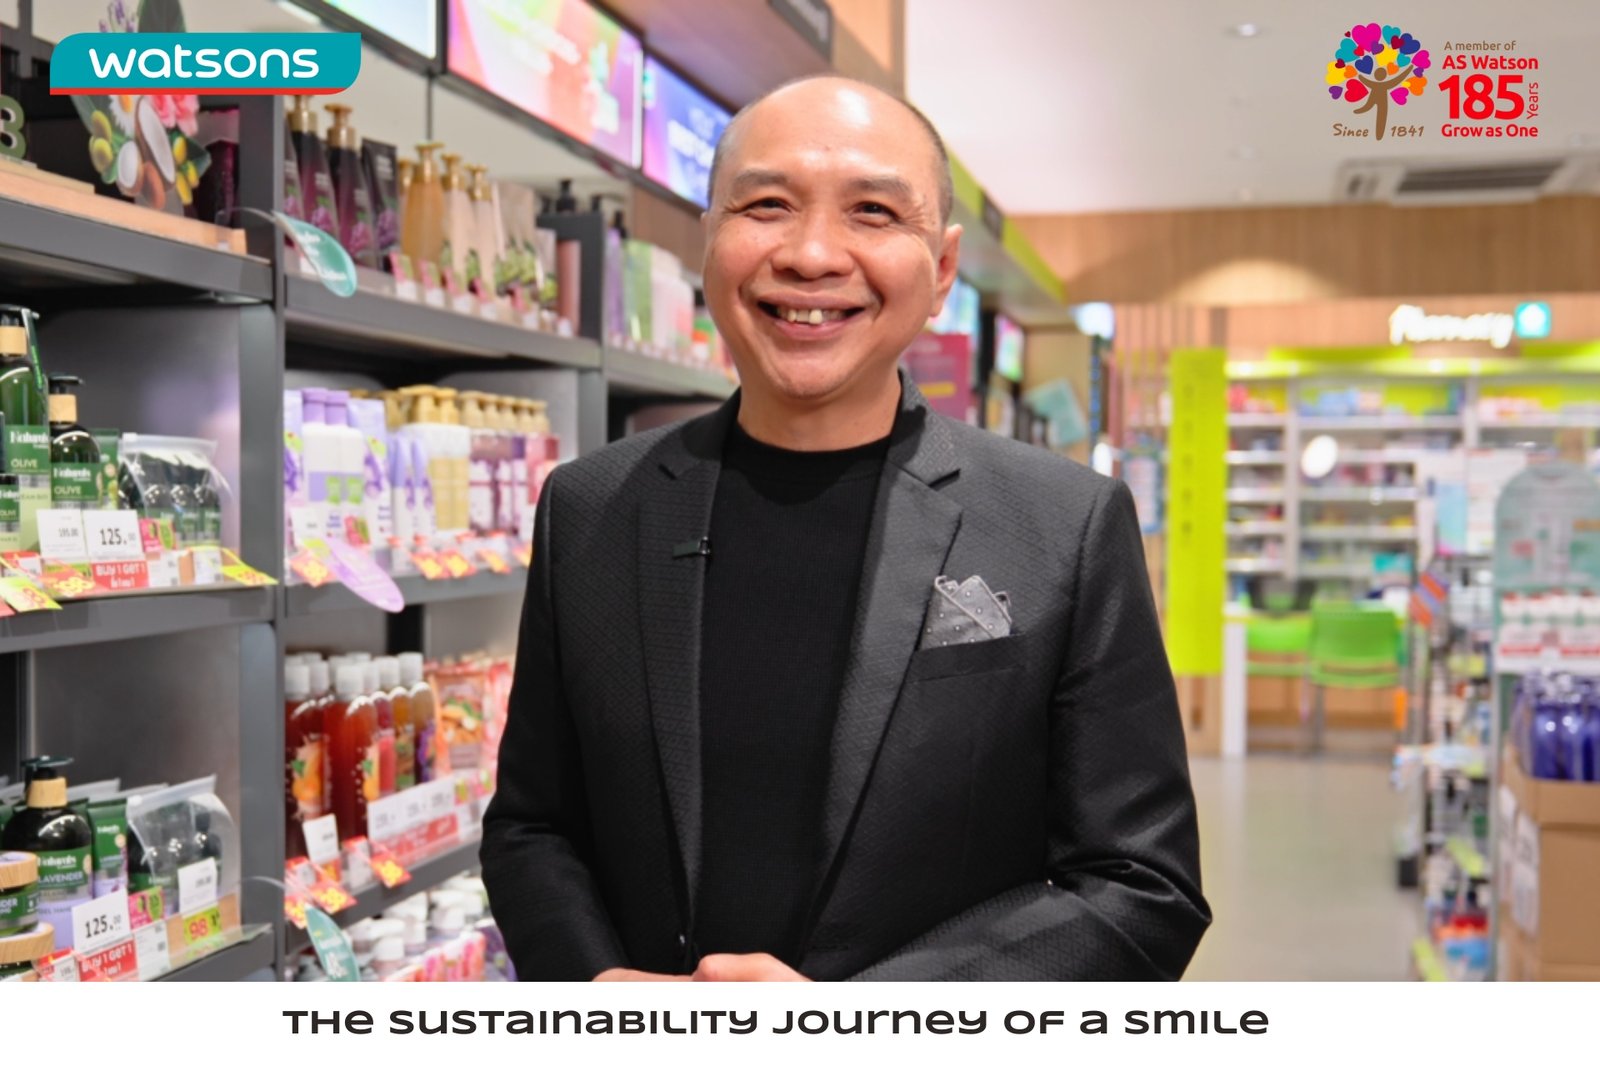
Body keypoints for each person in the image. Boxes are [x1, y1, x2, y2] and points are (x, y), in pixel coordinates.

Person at [481, 75, 1209, 982]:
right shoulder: (592, 507)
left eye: (873, 211)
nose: (812, 254)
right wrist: (599, 991)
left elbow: (1141, 886)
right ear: (710, 240)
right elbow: (533, 823)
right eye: (767, 205)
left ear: (942, 269)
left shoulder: (1065, 524)